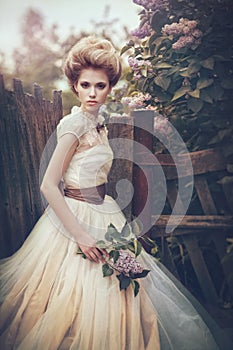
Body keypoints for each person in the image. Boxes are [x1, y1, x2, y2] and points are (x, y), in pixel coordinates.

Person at [0, 35, 231, 350]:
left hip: (105, 210)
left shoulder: (100, 124)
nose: (92, 93)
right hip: (75, 218)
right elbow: (48, 184)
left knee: (123, 290)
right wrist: (81, 235)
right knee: (75, 298)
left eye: (100, 86)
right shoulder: (74, 124)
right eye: (85, 85)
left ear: (110, 87)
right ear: (74, 85)